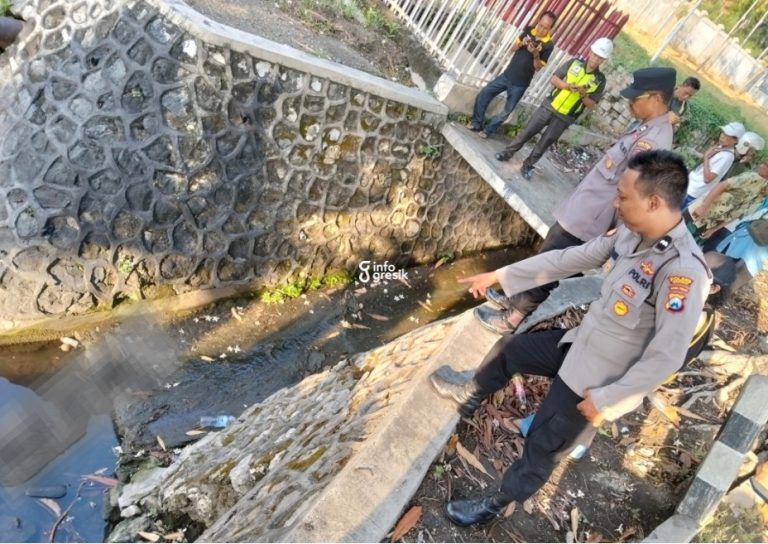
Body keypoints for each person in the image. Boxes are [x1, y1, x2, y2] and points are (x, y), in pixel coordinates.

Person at [429, 150, 711, 527]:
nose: (616, 202)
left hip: (598, 378)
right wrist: (503, 274)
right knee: (512, 349)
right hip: (580, 343)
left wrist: (608, 401)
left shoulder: (684, 272)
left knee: (542, 447)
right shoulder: (633, 232)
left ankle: (492, 506)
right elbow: (570, 258)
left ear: (654, 202)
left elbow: (667, 355)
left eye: (624, 196)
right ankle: (470, 394)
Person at [479, 67, 677, 334]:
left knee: (552, 264)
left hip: (593, 217)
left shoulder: (654, 140)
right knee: (548, 252)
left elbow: (636, 191)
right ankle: (515, 300)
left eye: (635, 97)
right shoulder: (646, 128)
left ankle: (514, 318)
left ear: (655, 97)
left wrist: (618, 227)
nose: (630, 103)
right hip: (586, 207)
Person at [494, 37, 612, 180]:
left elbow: (591, 104)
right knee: (527, 131)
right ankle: (508, 152)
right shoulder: (574, 63)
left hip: (565, 117)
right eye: (595, 54)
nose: (595, 59)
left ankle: (528, 165)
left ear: (603, 61)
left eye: (600, 58)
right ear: (590, 51)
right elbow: (554, 79)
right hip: (549, 106)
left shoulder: (600, 80)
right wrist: (567, 86)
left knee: (545, 143)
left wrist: (583, 95)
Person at [466, 12, 556, 139]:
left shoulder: (549, 45)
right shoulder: (529, 30)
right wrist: (521, 43)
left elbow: (538, 68)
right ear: (538, 21)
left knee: (506, 112)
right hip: (507, 75)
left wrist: (535, 54)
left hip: (521, 83)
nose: (541, 29)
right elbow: (512, 49)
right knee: (485, 92)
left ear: (550, 29)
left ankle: (488, 130)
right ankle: (476, 123)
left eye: (545, 28)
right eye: (540, 25)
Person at [685, 161, 768, 244]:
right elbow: (723, 185)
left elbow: (737, 214)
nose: (761, 166)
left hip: (708, 226)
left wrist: (713, 230)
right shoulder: (751, 177)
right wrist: (703, 206)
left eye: (766, 165)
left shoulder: (762, 195)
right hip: (698, 215)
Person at [705, 197, 768, 303]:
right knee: (728, 285)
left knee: (712, 275)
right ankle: (710, 306)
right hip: (755, 258)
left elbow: (747, 215)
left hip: (741, 242)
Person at [682, 122, 745, 208]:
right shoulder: (720, 147)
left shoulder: (727, 156)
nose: (722, 136)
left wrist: (706, 157)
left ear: (735, 140)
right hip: (689, 184)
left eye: (727, 135)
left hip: (693, 192)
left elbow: (708, 178)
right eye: (723, 132)